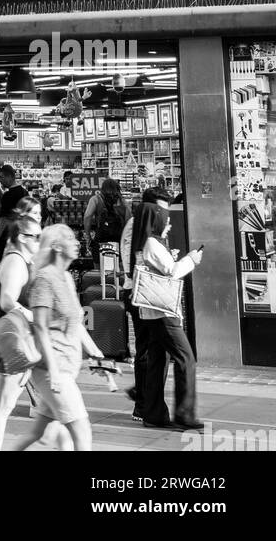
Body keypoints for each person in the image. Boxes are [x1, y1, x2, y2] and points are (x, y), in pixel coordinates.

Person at [12, 224, 108, 452]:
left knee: (37, 432)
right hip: (52, 369)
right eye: (70, 239)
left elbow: (75, 321)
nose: (77, 243)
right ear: (56, 246)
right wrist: (54, 370)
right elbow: (41, 327)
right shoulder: (44, 279)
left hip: (65, 365)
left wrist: (96, 353)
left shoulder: (65, 276)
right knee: (81, 430)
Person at [0, 199, 71, 451]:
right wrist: (35, 317)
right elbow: (7, 300)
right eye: (35, 238)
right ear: (22, 237)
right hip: (17, 342)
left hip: (28, 342)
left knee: (53, 406)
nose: (39, 242)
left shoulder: (25, 259)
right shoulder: (15, 262)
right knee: (3, 407)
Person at [132, 202, 203, 431]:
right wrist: (191, 259)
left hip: (153, 312)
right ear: (158, 221)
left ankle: (153, 414)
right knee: (186, 359)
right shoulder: (152, 243)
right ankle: (185, 415)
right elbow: (173, 272)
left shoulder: (148, 242)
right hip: (163, 314)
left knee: (158, 361)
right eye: (167, 221)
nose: (169, 225)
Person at [120, 187, 169, 417]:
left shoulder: (137, 225)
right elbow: (137, 261)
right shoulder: (139, 227)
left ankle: (143, 398)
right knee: (149, 349)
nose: (164, 218)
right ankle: (143, 402)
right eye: (161, 211)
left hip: (140, 292)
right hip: (142, 294)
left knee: (148, 348)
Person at [84, 177, 127, 267]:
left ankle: (100, 280)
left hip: (101, 237)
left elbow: (87, 216)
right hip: (118, 237)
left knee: (99, 265)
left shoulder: (96, 199)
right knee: (118, 266)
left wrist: (88, 236)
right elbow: (128, 218)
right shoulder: (122, 200)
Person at [0, 165, 30, 261]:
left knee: (4, 263)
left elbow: (3, 219)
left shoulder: (8, 195)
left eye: (1, 177)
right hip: (21, 235)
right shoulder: (24, 192)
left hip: (7, 236)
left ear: (10, 177)